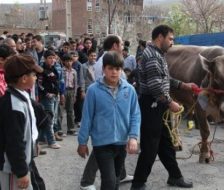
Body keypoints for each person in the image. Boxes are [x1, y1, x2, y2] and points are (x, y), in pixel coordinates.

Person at [131, 25, 194, 190]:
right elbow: (155, 86)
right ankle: (138, 183)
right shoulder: (152, 56)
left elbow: (165, 79)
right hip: (152, 105)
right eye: (170, 39)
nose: (172, 43)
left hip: (158, 104)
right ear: (160, 37)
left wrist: (184, 85)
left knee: (165, 144)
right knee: (150, 147)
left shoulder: (157, 54)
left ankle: (175, 176)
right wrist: (169, 102)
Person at [77, 51, 141, 190]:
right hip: (102, 144)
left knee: (116, 178)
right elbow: (87, 117)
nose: (114, 72)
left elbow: (135, 115)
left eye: (117, 69)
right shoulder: (93, 90)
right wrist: (82, 142)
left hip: (122, 142)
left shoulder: (129, 90)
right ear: (103, 69)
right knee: (109, 181)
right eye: (110, 68)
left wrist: (133, 137)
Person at [0, 55, 43, 190]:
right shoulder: (13, 105)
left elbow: (27, 131)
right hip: (12, 168)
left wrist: (34, 145)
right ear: (24, 78)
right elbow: (14, 142)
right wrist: (21, 172)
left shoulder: (22, 95)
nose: (36, 78)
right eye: (33, 75)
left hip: (22, 163)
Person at [62, 53, 78, 135]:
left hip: (71, 91)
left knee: (70, 111)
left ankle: (71, 129)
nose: (69, 63)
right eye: (67, 61)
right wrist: (61, 93)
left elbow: (75, 84)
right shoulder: (62, 70)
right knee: (61, 111)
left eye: (70, 61)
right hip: (64, 91)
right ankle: (59, 130)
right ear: (64, 62)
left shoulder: (74, 71)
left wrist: (75, 94)